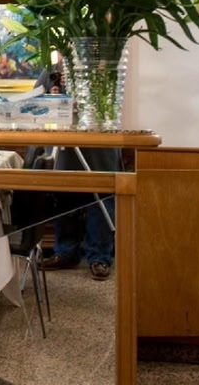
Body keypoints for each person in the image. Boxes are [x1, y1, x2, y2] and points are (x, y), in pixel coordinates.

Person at [30, 63, 122, 281]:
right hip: (65, 147)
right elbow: (34, 102)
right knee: (65, 199)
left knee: (100, 200)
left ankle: (99, 257)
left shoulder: (104, 64)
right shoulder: (53, 68)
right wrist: (54, 99)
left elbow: (111, 101)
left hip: (99, 145)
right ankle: (66, 252)